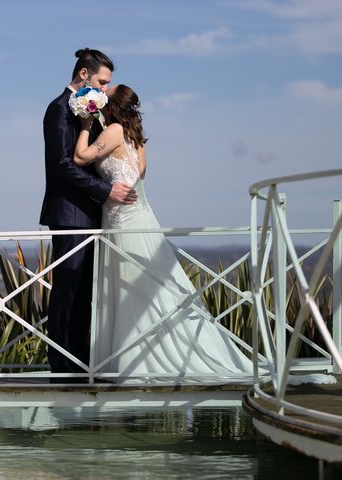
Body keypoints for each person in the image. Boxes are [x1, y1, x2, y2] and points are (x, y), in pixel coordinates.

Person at [74, 84, 253, 381]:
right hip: (139, 213)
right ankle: (137, 354)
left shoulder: (115, 130)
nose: (102, 94)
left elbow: (81, 157)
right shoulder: (135, 134)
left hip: (121, 219)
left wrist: (85, 124)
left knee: (128, 286)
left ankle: (130, 360)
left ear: (114, 105)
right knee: (147, 283)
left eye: (108, 92)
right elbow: (141, 171)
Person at [40, 49, 137, 381]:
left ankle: (82, 361)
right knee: (68, 288)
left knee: (87, 292)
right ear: (83, 75)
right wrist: (106, 191)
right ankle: (61, 364)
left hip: (95, 215)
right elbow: (62, 165)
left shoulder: (93, 113)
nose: (104, 89)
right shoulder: (58, 110)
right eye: (101, 81)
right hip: (69, 214)